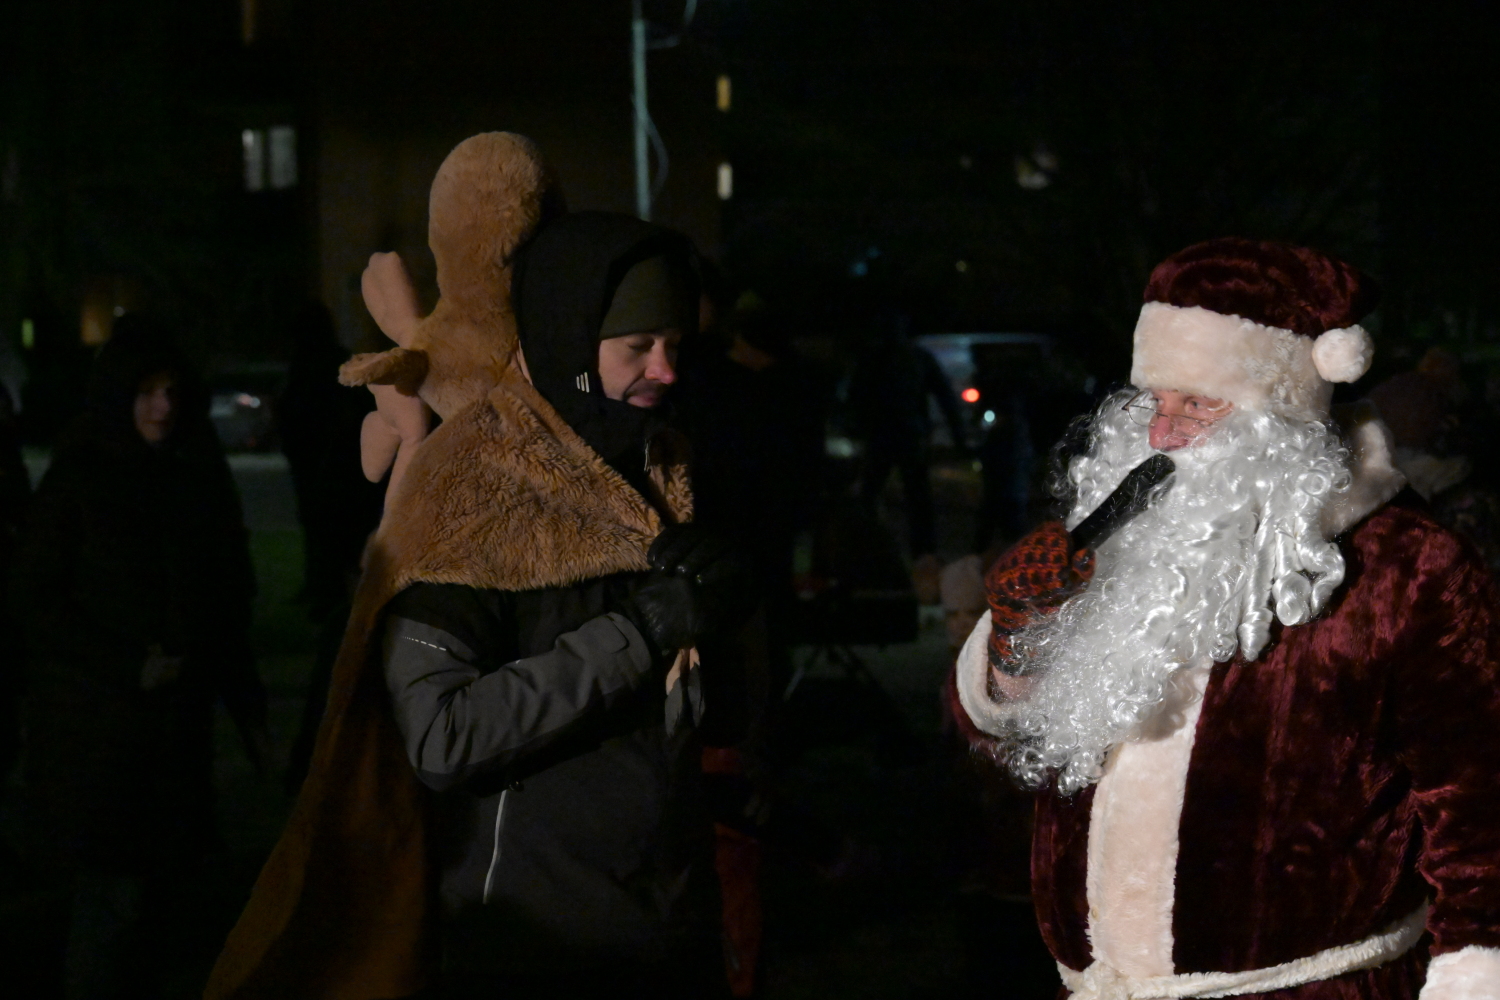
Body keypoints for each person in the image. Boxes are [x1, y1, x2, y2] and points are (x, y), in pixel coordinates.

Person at [204, 138, 757, 1000]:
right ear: (573, 340)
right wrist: (640, 631)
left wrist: (731, 606)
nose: (666, 369)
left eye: (676, 342)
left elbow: (718, 717)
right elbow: (443, 734)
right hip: (530, 944)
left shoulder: (664, 470)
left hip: (667, 928)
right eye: (638, 345)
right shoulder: (470, 488)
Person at [950, 238, 1500, 999]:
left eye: (1199, 404)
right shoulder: (1114, 536)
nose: (1163, 432)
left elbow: (1476, 793)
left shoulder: (1405, 565)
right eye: (1155, 401)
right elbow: (1008, 744)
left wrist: (1473, 965)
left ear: (1281, 415)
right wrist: (1017, 638)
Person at [13, 315, 264, 999]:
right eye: (147, 392)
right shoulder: (80, 480)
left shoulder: (187, 476)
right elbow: (37, 600)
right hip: (100, 737)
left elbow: (218, 593)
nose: (163, 406)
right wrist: (126, 665)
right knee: (112, 908)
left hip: (171, 737)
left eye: (172, 391)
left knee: (161, 912)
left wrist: (239, 696)